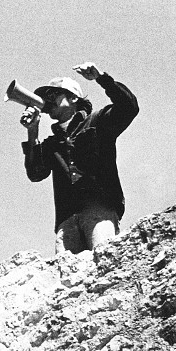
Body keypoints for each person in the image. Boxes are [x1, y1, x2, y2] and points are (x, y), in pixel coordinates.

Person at [20, 62, 138, 254]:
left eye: (53, 95)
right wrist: (32, 131)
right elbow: (35, 173)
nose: (47, 101)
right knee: (67, 278)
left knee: (105, 261)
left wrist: (102, 78)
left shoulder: (97, 122)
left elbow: (129, 107)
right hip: (66, 221)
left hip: (99, 211)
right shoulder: (51, 144)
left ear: (73, 97)